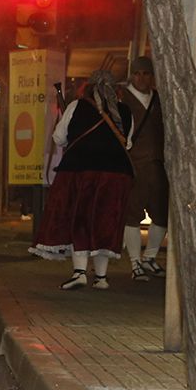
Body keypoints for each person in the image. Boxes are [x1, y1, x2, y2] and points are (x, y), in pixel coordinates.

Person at [33, 69, 134, 290]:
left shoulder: (77, 106)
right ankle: (101, 277)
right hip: (116, 176)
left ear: (88, 87)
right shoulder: (125, 111)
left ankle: (79, 272)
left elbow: (59, 137)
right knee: (105, 221)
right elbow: (127, 144)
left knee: (80, 218)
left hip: (81, 172)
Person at [120, 56, 168, 281]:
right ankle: (135, 261)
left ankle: (149, 257)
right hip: (132, 165)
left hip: (157, 165)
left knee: (162, 213)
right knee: (132, 214)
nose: (141, 78)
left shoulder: (159, 99)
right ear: (132, 75)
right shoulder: (122, 98)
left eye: (146, 73)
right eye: (138, 73)